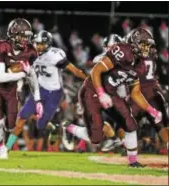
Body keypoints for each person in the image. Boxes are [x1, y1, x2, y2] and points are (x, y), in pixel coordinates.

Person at [62, 28, 162, 167]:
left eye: (148, 46)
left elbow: (136, 93)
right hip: (92, 90)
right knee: (95, 138)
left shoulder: (140, 65)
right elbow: (96, 71)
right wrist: (101, 93)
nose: (146, 49)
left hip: (111, 92)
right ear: (134, 43)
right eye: (144, 44)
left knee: (130, 123)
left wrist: (151, 110)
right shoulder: (122, 51)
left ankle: (133, 162)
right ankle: (68, 128)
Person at [5, 30, 87, 156]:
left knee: (40, 125)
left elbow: (73, 70)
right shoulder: (32, 54)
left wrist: (88, 79)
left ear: (47, 44)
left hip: (54, 93)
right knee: (21, 117)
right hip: (39, 89)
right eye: (37, 44)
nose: (38, 46)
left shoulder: (55, 55)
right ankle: (7, 147)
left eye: (41, 44)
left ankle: (53, 128)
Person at [0, 18, 42, 159]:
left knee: (11, 125)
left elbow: (33, 76)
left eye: (27, 36)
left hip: (11, 88)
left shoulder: (30, 51)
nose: (25, 39)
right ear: (13, 34)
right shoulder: (1, 47)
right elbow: (0, 77)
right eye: (22, 36)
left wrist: (38, 100)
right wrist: (21, 73)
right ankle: (0, 146)